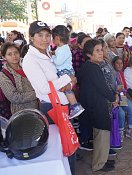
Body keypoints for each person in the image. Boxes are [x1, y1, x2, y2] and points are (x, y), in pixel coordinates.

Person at [22, 20, 77, 175]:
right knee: (61, 150)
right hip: (52, 108)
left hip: (62, 105)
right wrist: (68, 79)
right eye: (40, 35)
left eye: (47, 35)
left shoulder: (46, 53)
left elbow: (60, 79)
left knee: (67, 146)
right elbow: (44, 88)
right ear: (31, 37)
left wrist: (69, 82)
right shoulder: (30, 59)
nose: (45, 39)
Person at [77, 39, 117, 172]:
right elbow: (103, 88)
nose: (101, 53)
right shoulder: (93, 68)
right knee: (102, 134)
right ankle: (99, 164)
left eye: (101, 50)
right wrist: (113, 97)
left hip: (92, 104)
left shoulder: (88, 66)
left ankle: (101, 161)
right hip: (97, 105)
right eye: (97, 51)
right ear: (89, 54)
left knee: (99, 134)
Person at [52, 25, 84, 119]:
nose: (52, 41)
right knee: (67, 90)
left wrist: (52, 57)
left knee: (67, 90)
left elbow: (58, 62)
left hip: (64, 71)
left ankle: (75, 106)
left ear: (57, 38)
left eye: (53, 38)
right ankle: (74, 106)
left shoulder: (64, 49)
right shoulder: (62, 48)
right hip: (65, 71)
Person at [0, 43, 38, 116]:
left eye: (16, 53)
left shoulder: (26, 66)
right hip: (21, 113)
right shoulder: (3, 75)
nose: (14, 56)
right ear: (4, 57)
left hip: (38, 108)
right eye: (9, 54)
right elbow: (14, 97)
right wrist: (38, 93)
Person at [111, 56, 132, 141]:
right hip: (114, 98)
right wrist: (117, 89)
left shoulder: (121, 73)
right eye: (117, 63)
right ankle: (120, 131)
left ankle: (130, 130)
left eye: (121, 63)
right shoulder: (111, 74)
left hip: (122, 96)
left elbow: (124, 88)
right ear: (113, 64)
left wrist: (123, 91)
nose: (120, 65)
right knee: (121, 113)